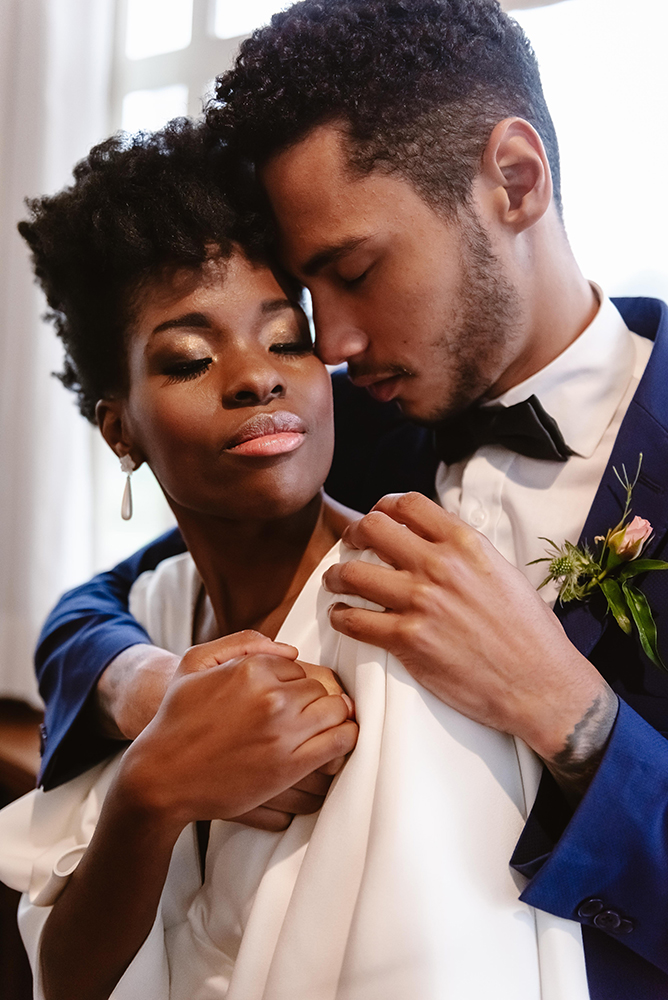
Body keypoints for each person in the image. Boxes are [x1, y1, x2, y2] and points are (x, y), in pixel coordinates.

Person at [27, 1, 668, 997]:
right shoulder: (343, 416)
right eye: (308, 299)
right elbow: (111, 599)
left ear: (513, 179)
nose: (327, 344)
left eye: (356, 271)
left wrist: (572, 719)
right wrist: (147, 688)